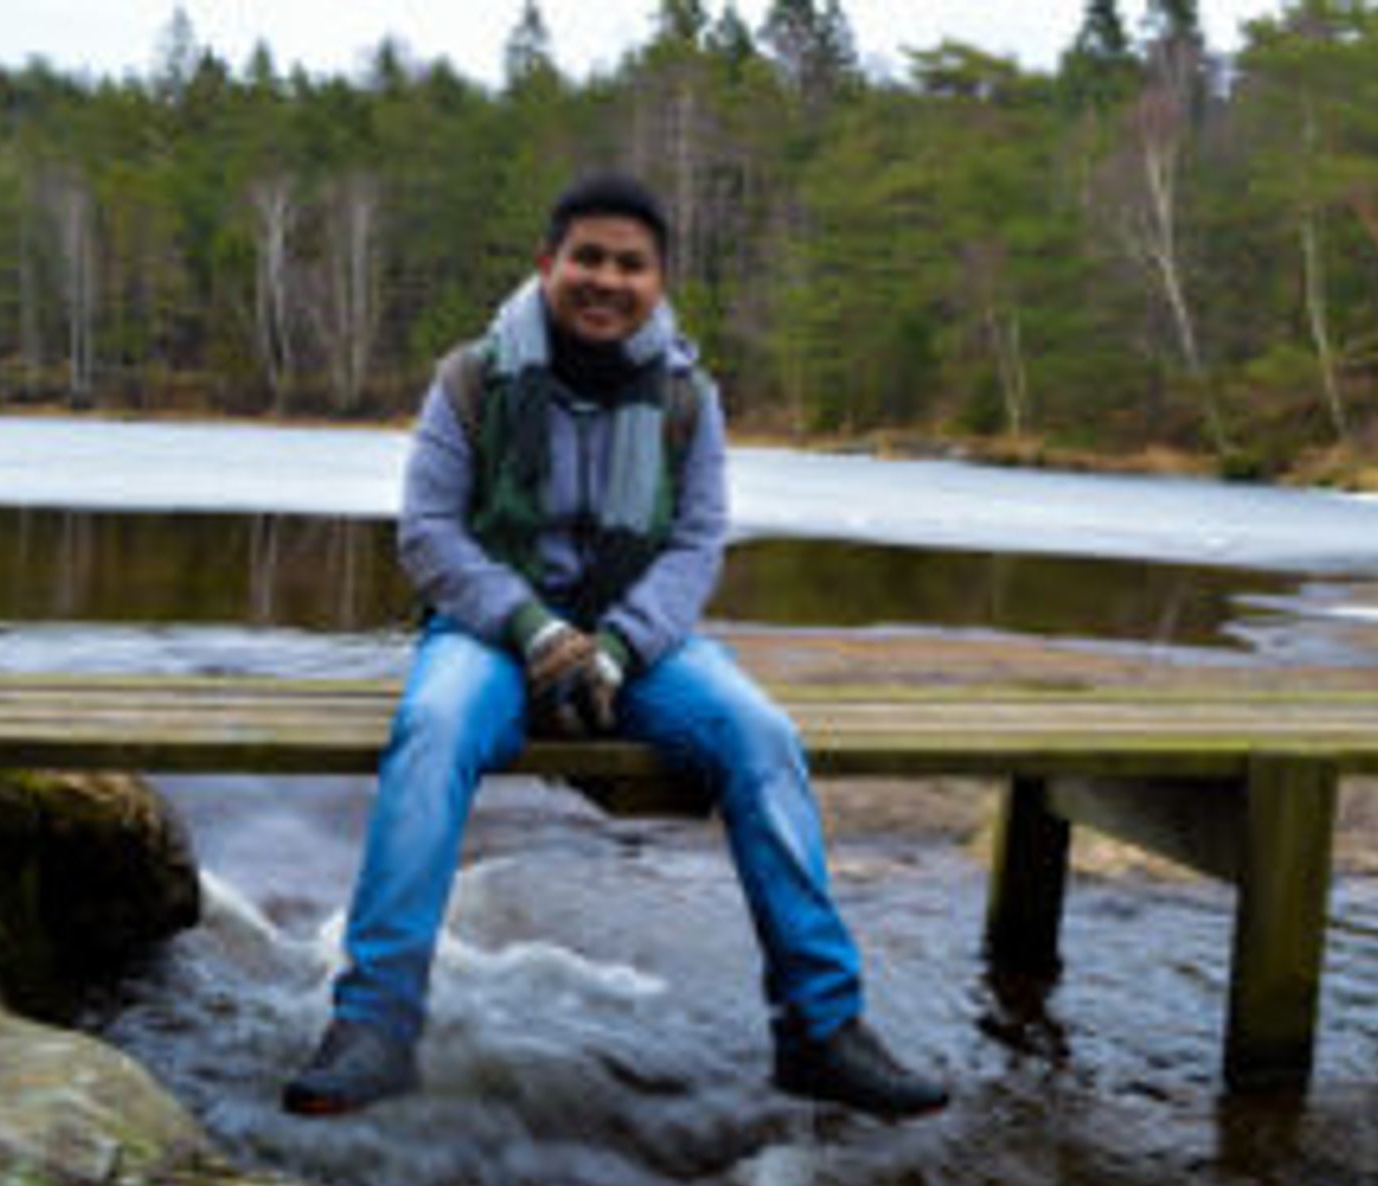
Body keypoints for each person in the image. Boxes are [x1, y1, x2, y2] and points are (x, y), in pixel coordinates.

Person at [283, 173, 948, 1123]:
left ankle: (820, 1029)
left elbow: (695, 546)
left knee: (759, 735)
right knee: (431, 728)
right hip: (492, 633)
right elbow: (429, 535)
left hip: (640, 644)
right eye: (586, 257)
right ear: (547, 265)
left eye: (629, 264)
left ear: (659, 279)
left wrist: (620, 649)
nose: (606, 279)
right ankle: (376, 1024)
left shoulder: (688, 398)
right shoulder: (471, 378)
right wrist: (534, 628)